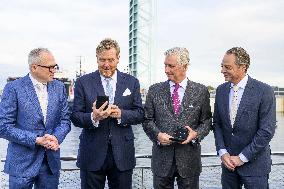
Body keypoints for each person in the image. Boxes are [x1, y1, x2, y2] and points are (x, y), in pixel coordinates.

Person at [71, 38, 144, 189]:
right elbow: (75, 116)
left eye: (111, 59)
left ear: (118, 58)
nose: (106, 64)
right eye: (102, 60)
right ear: (96, 58)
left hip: (122, 154)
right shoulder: (83, 82)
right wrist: (93, 117)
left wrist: (121, 114)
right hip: (91, 154)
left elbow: (140, 113)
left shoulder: (132, 82)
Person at [0, 48, 71, 189]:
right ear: (34, 67)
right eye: (50, 67)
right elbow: (3, 126)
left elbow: (65, 120)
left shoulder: (59, 87)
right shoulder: (13, 88)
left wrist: (56, 138)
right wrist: (36, 140)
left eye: (54, 66)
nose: (53, 70)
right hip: (21, 164)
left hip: (50, 163)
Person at [142, 47, 212, 189]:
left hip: (189, 161)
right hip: (161, 160)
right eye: (165, 65)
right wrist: (157, 135)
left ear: (185, 66)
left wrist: (196, 134)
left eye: (171, 66)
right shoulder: (154, 90)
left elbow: (207, 121)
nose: (166, 70)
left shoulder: (201, 91)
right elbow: (147, 120)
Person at [213, 47, 276, 188]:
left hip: (256, 168)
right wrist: (222, 152)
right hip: (228, 167)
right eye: (222, 66)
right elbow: (217, 123)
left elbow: (267, 130)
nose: (222, 70)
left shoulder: (264, 91)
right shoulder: (221, 90)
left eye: (227, 67)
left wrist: (242, 157)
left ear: (243, 67)